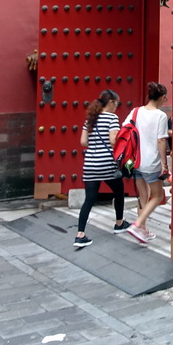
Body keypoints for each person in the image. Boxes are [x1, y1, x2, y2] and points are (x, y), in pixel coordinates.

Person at [74, 89, 129, 248]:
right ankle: (119, 223)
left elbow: (83, 142)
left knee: (89, 199)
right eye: (116, 103)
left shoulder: (90, 119)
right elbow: (113, 141)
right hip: (107, 163)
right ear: (111, 102)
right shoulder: (112, 118)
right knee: (118, 191)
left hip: (90, 164)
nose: (117, 107)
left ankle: (80, 235)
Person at [126, 82, 170, 244]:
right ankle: (137, 225)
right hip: (151, 162)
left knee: (143, 196)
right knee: (158, 195)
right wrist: (164, 164)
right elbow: (161, 140)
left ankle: (143, 230)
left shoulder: (135, 111)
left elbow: (125, 130)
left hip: (135, 160)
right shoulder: (160, 116)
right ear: (162, 97)